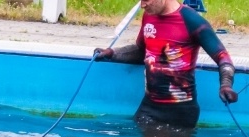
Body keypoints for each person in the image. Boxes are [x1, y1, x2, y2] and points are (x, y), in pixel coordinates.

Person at [94, 0, 238, 129]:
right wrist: (111, 53)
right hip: (149, 107)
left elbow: (223, 58)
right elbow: (141, 50)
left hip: (180, 112)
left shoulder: (191, 20)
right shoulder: (149, 15)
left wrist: (226, 85)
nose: (142, 5)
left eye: (146, 0)